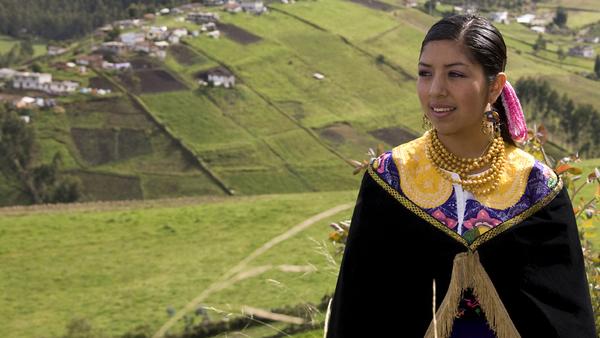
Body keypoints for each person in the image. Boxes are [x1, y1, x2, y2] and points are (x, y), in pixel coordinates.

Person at [323, 14, 597, 338]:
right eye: (425, 73)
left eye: (455, 74)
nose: (436, 90)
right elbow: (356, 313)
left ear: (494, 86)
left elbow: (566, 321)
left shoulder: (537, 190)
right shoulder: (389, 179)